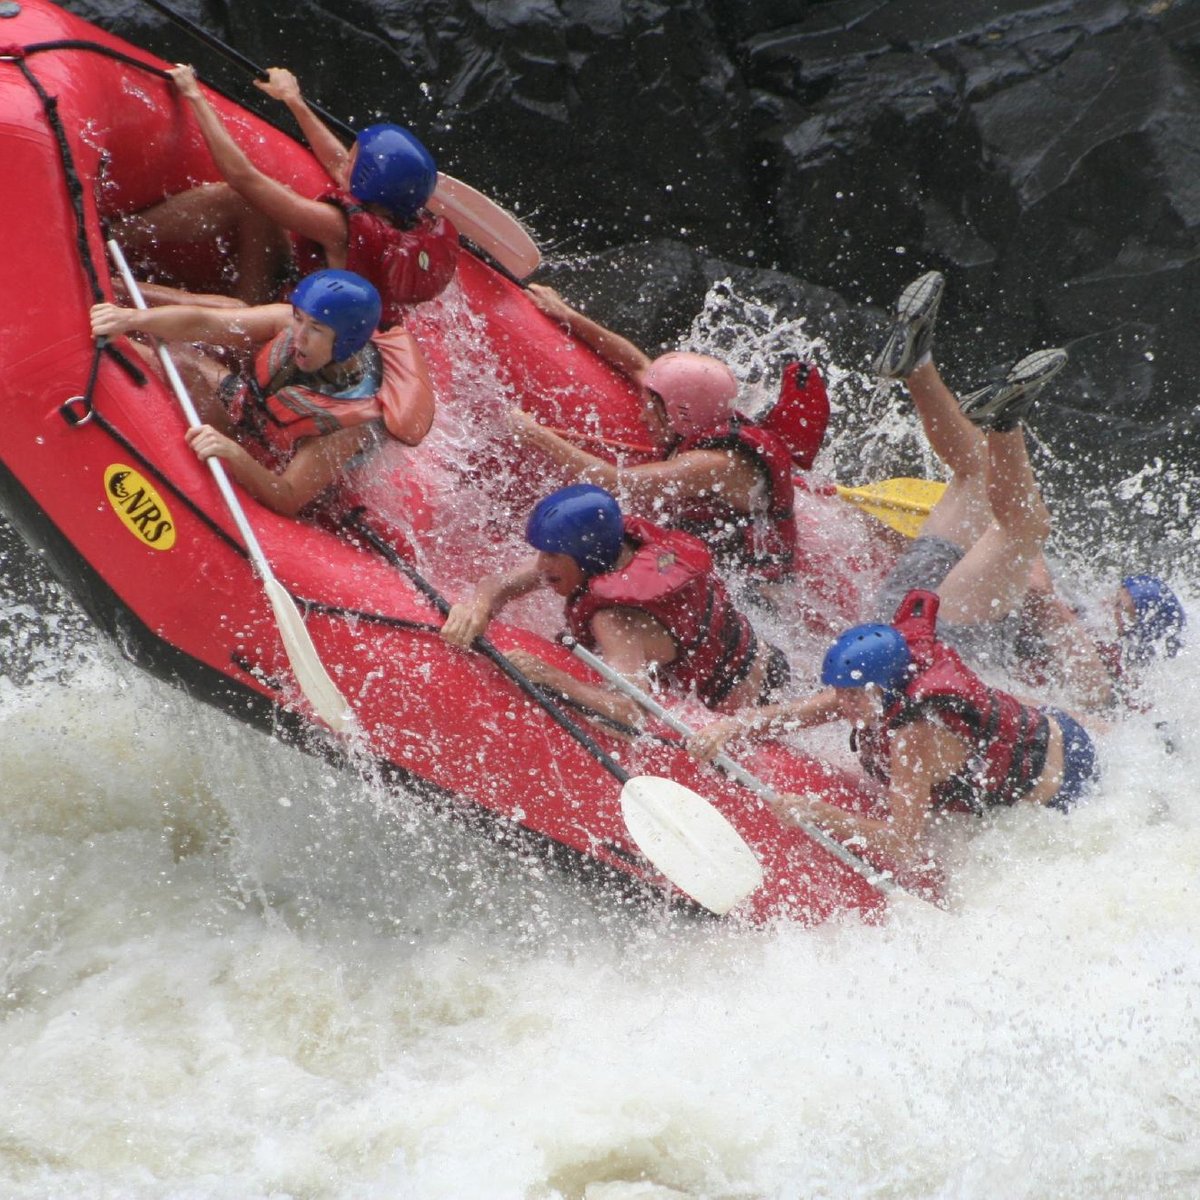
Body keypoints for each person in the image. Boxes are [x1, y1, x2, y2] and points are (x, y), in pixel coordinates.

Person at [868, 270, 1185, 711]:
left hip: (936, 651)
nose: (1104, 604)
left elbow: (1039, 595)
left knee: (1027, 526)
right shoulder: (1092, 647)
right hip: (924, 617)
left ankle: (1006, 420)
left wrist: (1026, 560)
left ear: (1131, 639)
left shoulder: (1105, 682)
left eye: (1119, 608)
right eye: (1116, 596)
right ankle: (918, 364)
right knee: (977, 473)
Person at [689, 588, 1100, 871]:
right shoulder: (877, 690)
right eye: (840, 693)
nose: (840, 703)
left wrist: (821, 814)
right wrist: (731, 727)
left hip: (1063, 780)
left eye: (851, 696)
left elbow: (904, 844)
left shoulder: (913, 738)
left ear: (882, 689)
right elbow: (793, 714)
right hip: (1037, 728)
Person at [513, 285, 833, 603]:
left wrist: (534, 434)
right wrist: (567, 315)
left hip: (753, 594)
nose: (642, 417)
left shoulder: (716, 464)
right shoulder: (696, 411)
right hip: (709, 551)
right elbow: (638, 366)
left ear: (680, 413)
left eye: (651, 409)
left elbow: (616, 482)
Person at [113, 65, 459, 322]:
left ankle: (108, 286)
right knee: (242, 205)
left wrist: (195, 96)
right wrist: (294, 101)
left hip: (290, 337)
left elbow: (242, 176)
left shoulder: (339, 228)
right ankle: (109, 237)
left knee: (234, 311)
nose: (345, 161)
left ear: (369, 182)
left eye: (356, 160)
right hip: (304, 302)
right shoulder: (400, 215)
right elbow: (340, 164)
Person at [90, 269, 435, 518]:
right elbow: (205, 324)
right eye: (299, 319)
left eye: (315, 329)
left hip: (265, 458)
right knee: (221, 318)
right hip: (250, 411)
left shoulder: (347, 423)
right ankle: (111, 288)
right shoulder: (291, 324)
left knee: (183, 370)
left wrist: (234, 454)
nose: (298, 335)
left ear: (346, 342)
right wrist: (131, 319)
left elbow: (287, 497)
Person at [439, 483, 791, 727]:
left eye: (551, 555)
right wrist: (480, 606)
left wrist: (551, 677)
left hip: (751, 698)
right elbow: (501, 584)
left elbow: (633, 713)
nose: (541, 565)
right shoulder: (609, 552)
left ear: (584, 556)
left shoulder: (615, 621)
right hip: (761, 656)